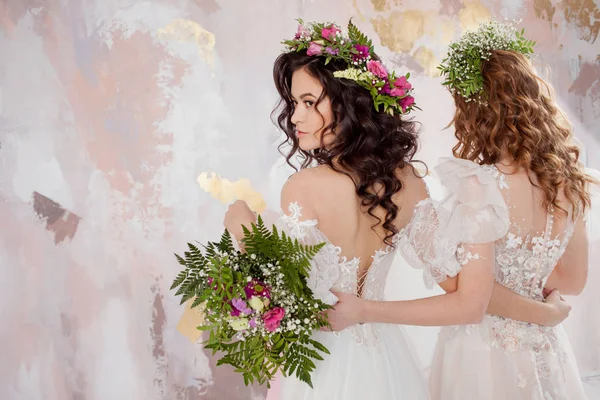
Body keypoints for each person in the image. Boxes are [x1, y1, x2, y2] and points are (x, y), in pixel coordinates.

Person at [325, 20, 596, 400]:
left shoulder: (479, 185)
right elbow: (572, 281)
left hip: (482, 355)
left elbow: (474, 300)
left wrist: (365, 309)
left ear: (477, 113)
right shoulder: (568, 182)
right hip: (546, 351)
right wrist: (541, 308)